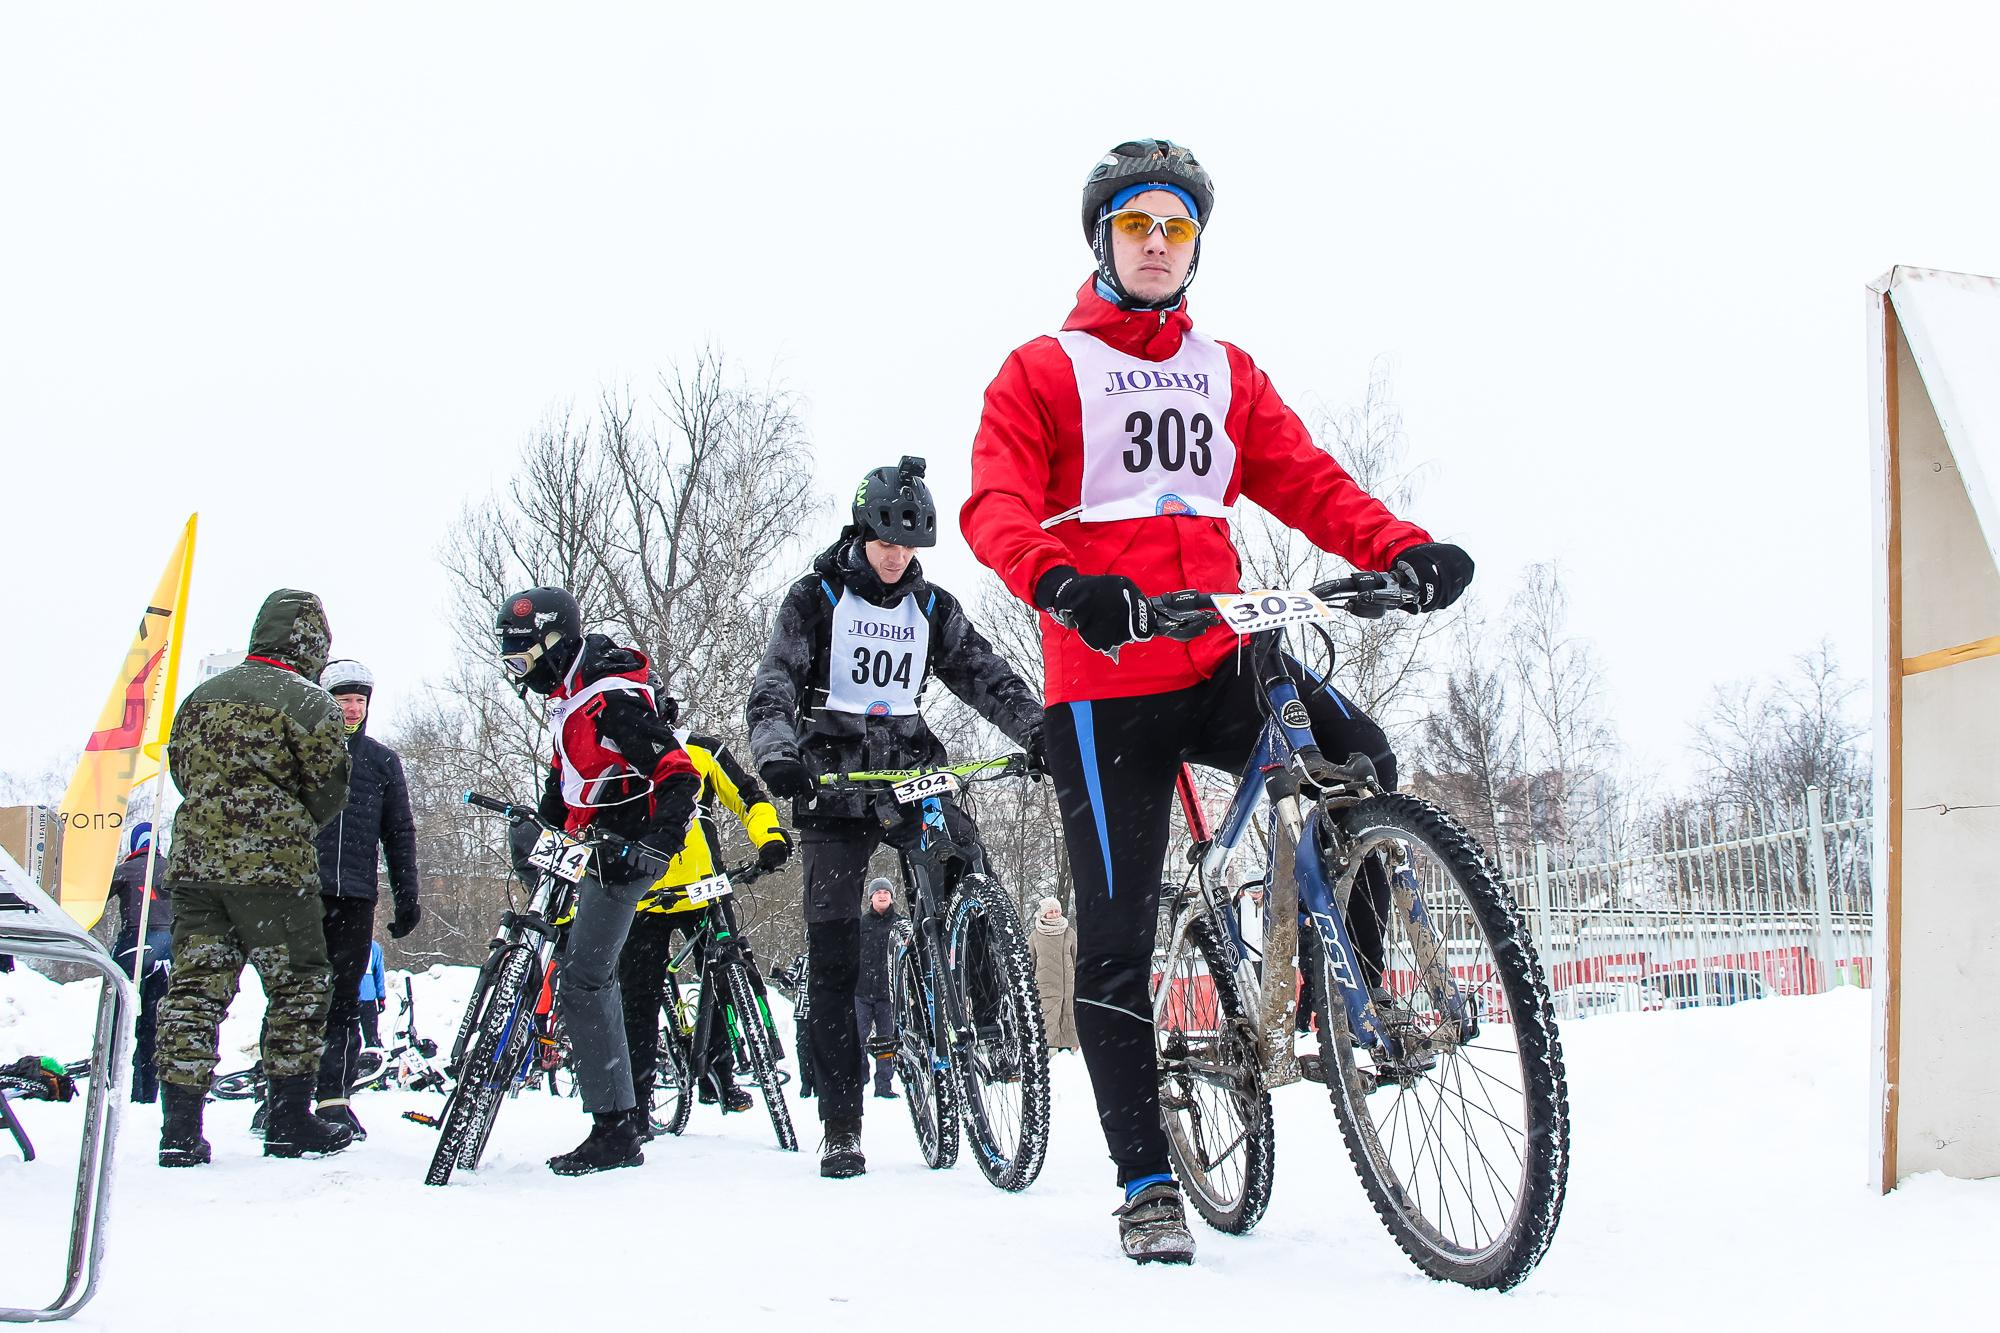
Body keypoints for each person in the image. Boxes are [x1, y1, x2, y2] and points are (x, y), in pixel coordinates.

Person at [962, 139, 1473, 1263]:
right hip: (1106, 684)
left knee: (1359, 756)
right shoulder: (1042, 369)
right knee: (1113, 941)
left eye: (1177, 227)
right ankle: (1147, 1182)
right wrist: (1062, 584)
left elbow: (1307, 481)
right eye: (1136, 224)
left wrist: (1400, 548)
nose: (1157, 243)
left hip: (1219, 651)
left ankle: (1348, 995)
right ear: (1102, 240)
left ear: (1195, 247)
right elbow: (994, 503)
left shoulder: (1223, 371)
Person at [747, 456, 1043, 1179]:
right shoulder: (814, 598)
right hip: (833, 783)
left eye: (908, 547)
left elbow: (986, 675)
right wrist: (778, 754)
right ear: (861, 533)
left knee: (967, 860)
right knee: (836, 956)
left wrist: (1040, 730)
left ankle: (987, 1014)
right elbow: (775, 682)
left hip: (910, 773)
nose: (896, 558)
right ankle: (842, 1125)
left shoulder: (932, 607)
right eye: (885, 543)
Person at [495, 586, 699, 1175]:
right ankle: (621, 1116)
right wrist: (538, 829)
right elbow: (565, 788)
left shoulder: (610, 700)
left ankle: (615, 1129)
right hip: (593, 843)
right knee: (582, 969)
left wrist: (655, 845)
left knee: (585, 978)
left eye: (522, 660)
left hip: (626, 850)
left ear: (554, 646)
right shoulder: (572, 699)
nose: (520, 675)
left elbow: (678, 774)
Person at [153, 589, 356, 1165]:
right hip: (274, 873)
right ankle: (289, 1118)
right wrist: (282, 822)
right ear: (312, 644)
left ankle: (180, 1131)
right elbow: (329, 789)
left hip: (195, 867)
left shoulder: (200, 698)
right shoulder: (310, 703)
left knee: (194, 990)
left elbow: (182, 771)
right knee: (298, 983)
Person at [619, 707, 792, 1129]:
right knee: (636, 1000)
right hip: (644, 895)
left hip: (705, 889)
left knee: (727, 978)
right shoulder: (618, 753)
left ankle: (721, 1072)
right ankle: (635, 1102)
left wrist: (769, 837)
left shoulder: (701, 749)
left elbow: (749, 798)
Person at [310, 658, 421, 1141]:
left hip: (355, 895)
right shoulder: (303, 753)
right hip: (302, 893)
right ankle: (283, 1098)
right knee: (294, 997)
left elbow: (399, 832)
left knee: (343, 1000)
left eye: (359, 700)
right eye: (343, 701)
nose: (352, 709)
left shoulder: (381, 761)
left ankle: (333, 1099)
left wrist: (407, 894)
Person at [106, 821, 173, 1103]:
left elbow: (94, 899)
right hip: (169, 949)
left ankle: (114, 1085)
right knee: (154, 1025)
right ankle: (148, 1092)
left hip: (134, 945)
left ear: (135, 843)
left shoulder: (126, 870)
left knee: (119, 1021)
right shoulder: (172, 868)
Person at [854, 878, 899, 1099]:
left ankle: (883, 1084)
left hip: (888, 995)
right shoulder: (860, 924)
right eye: (878, 892)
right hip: (861, 991)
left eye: (886, 892)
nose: (882, 895)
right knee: (857, 1037)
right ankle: (859, 1077)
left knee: (886, 1041)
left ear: (891, 897)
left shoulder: (899, 924)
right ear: (871, 897)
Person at [1027, 896, 1078, 1053]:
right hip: (1045, 989)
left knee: (1068, 1021)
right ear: (1044, 914)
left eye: (1057, 911)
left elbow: (1077, 959)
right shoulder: (1035, 936)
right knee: (1047, 1025)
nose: (1054, 914)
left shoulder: (1069, 933)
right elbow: (1029, 963)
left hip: (1068, 987)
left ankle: (1069, 1053)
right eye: (1051, 912)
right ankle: (1047, 1053)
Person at [357, 940, 387, 1049]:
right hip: (368, 997)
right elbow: (379, 973)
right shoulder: (374, 946)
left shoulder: (346, 942)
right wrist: (381, 997)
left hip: (349, 997)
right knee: (371, 1034)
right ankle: (373, 1052)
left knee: (349, 1034)